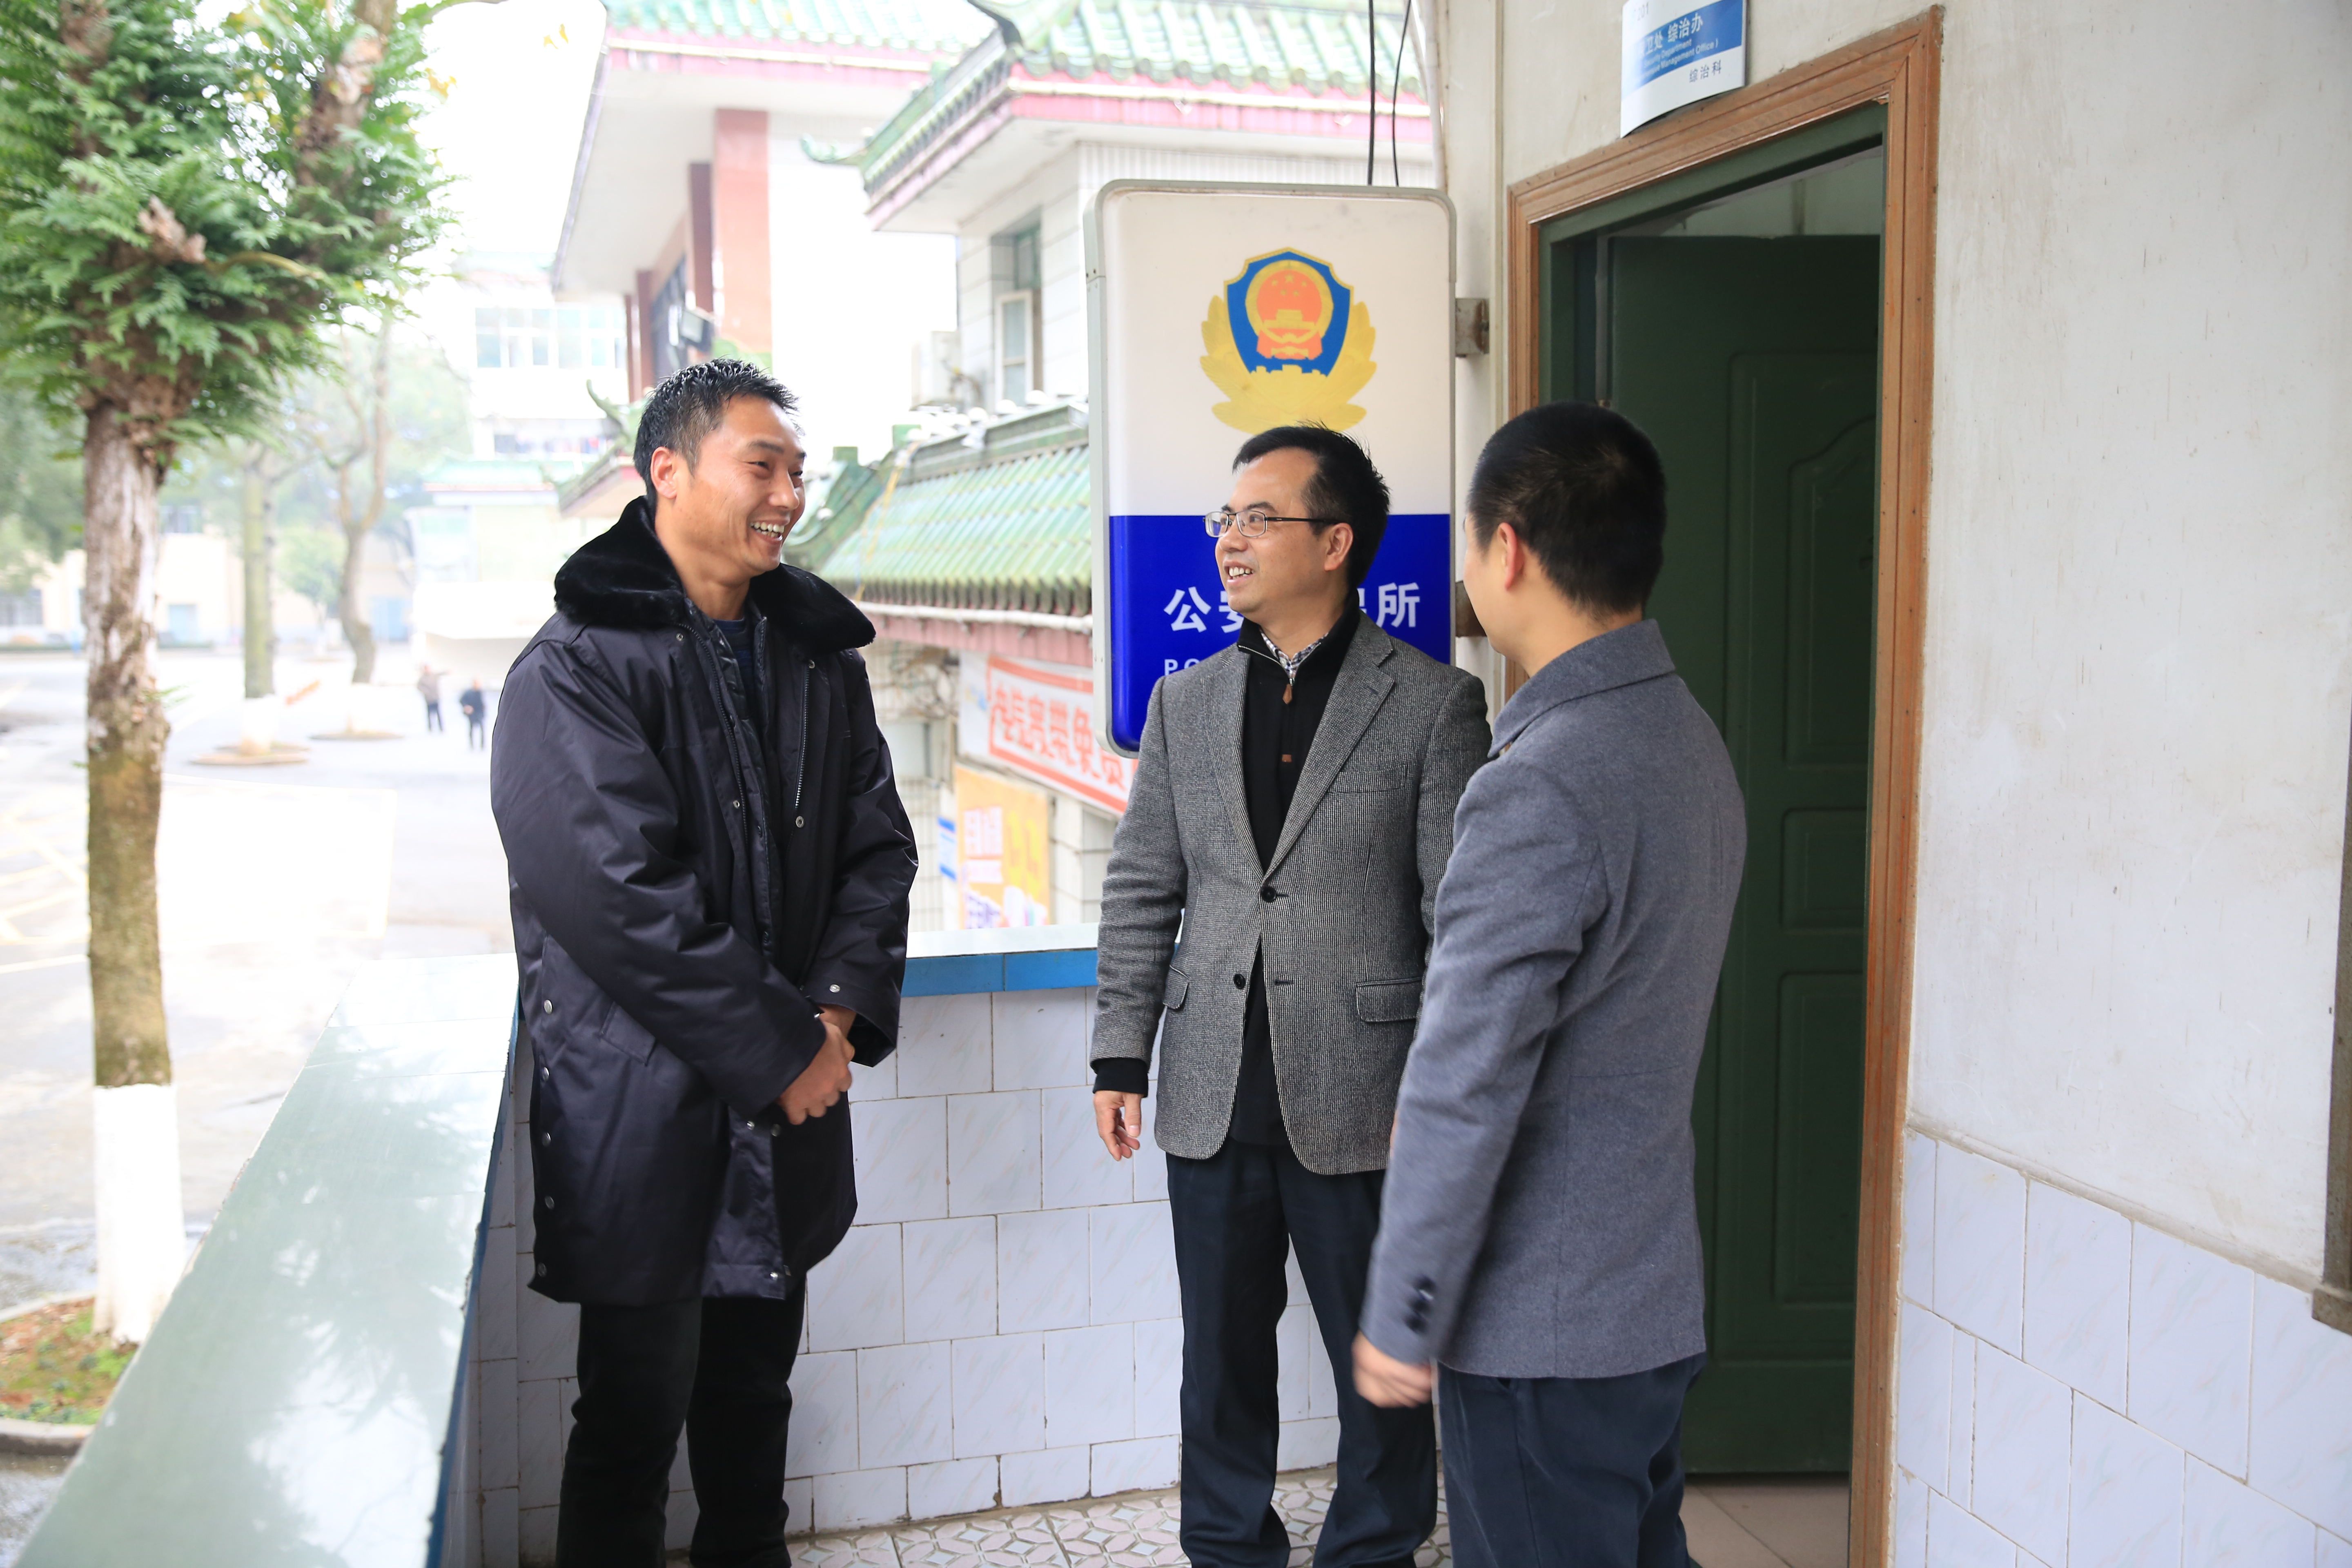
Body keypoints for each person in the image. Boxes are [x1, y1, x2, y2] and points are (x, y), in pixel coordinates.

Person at [489, 359, 917, 1568]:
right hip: (643, 1108)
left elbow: (877, 849)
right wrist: (781, 1050)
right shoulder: (576, 664)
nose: (788, 495)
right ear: (666, 471)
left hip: (786, 1101)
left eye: (797, 471)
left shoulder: (817, 657)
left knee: (751, 1400)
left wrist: (833, 1015)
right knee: (630, 1420)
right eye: (760, 466)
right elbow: (620, 898)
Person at [1353, 403, 1747, 1568]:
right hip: (1646, 1303)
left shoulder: (1542, 779)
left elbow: (1463, 1079)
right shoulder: (1685, 738)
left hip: (1541, 1327)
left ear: (1508, 548)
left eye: (1470, 545)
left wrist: (1403, 1305)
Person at [1091, 425, 1490, 1568]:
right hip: (1212, 1083)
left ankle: (1373, 1546)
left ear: (1334, 542)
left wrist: (1438, 1090)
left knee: (1381, 1356)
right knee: (1219, 1354)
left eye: (1257, 518)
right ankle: (1227, 1545)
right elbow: (1142, 887)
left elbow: (1458, 918)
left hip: (1365, 1093)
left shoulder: (1431, 704)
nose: (1230, 539)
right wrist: (1119, 1055)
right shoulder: (1184, 702)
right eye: (1224, 519)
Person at [458, 677, 487, 749]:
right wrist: (466, 707)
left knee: (482, 729)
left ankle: (482, 745)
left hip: (480, 713)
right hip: (472, 713)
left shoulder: (480, 692)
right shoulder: (469, 693)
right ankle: (472, 745)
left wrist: (484, 709)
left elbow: (482, 702)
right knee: (472, 729)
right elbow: (462, 700)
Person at [416, 664, 444, 731]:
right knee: (430, 714)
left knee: (439, 714)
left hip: (436, 698)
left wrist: (448, 672)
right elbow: (419, 687)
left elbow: (441, 674)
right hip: (429, 699)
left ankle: (441, 728)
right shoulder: (423, 678)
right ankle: (430, 728)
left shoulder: (433, 676)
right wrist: (426, 692)